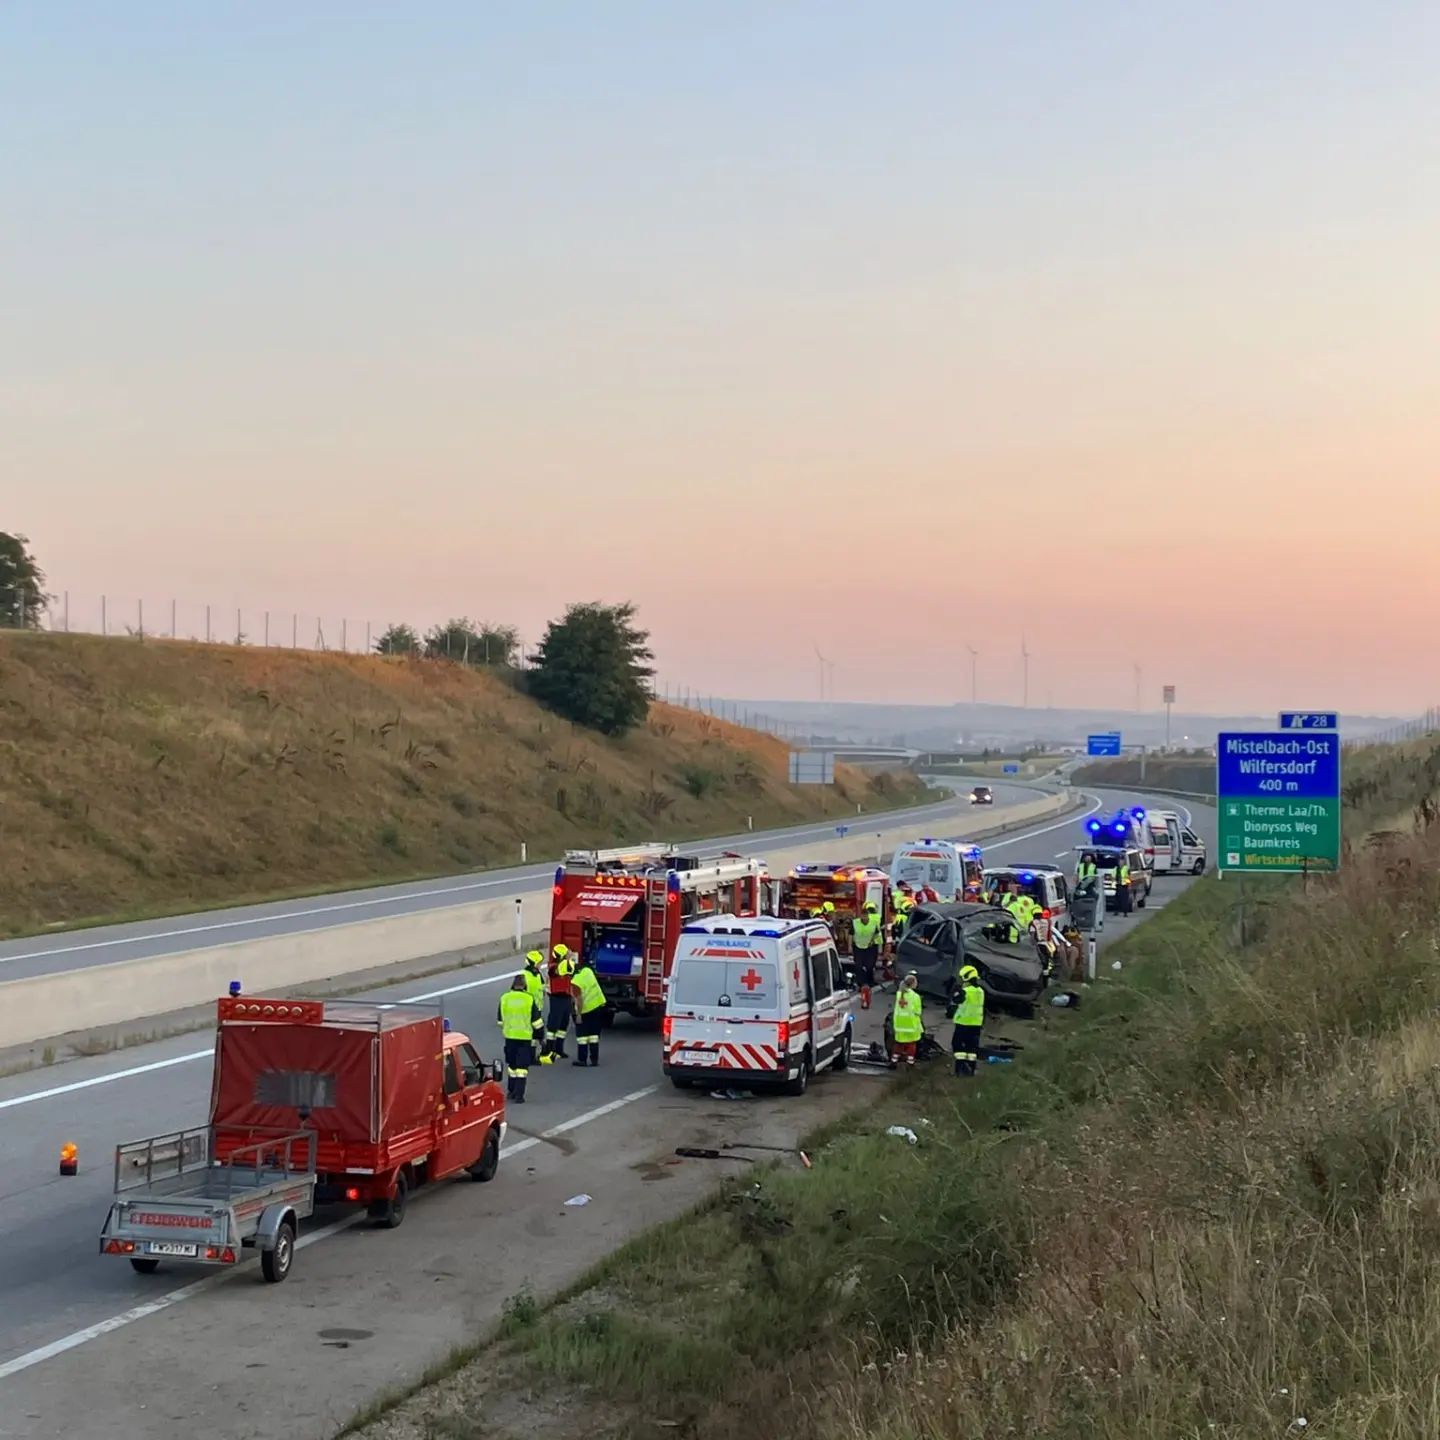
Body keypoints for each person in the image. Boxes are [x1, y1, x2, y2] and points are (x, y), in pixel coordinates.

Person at [497, 974, 543, 1103]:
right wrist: (540, 1037)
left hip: (510, 1037)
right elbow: (537, 1022)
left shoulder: (505, 998)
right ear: (524, 985)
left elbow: (500, 1021)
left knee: (512, 1066)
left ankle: (511, 1091)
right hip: (525, 1038)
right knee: (522, 1068)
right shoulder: (529, 999)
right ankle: (519, 1095)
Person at [571, 954, 608, 1067]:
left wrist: (578, 1014)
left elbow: (579, 999)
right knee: (594, 1036)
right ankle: (594, 1060)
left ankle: (582, 1060)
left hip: (586, 1010)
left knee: (582, 1036)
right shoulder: (587, 971)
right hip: (598, 1006)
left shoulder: (575, 982)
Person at [542, 943, 576, 1063]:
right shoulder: (553, 967)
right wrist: (569, 958)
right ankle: (550, 1050)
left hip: (566, 996)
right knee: (553, 1025)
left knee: (563, 1024)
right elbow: (564, 969)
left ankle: (559, 1049)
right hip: (556, 998)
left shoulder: (562, 965)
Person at [950, 964, 985, 1076]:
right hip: (976, 1024)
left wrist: (955, 990)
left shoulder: (965, 991)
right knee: (972, 1048)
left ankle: (960, 1069)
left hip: (963, 1023)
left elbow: (956, 1000)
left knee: (958, 1045)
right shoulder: (980, 991)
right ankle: (971, 1069)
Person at [850, 900, 882, 1009]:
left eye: (865, 915)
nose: (864, 918)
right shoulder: (855, 923)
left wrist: (873, 942)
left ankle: (869, 981)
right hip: (858, 946)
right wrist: (850, 947)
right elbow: (851, 934)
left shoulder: (873, 923)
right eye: (862, 916)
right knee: (858, 966)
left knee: (869, 966)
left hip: (870, 947)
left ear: (868, 915)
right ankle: (861, 984)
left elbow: (877, 934)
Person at [890, 973, 924, 1068]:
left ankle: (894, 1061)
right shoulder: (915, 996)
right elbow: (918, 1011)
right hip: (911, 1024)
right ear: (913, 983)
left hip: (899, 1024)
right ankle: (910, 1062)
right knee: (911, 1044)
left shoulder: (899, 994)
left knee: (899, 1043)